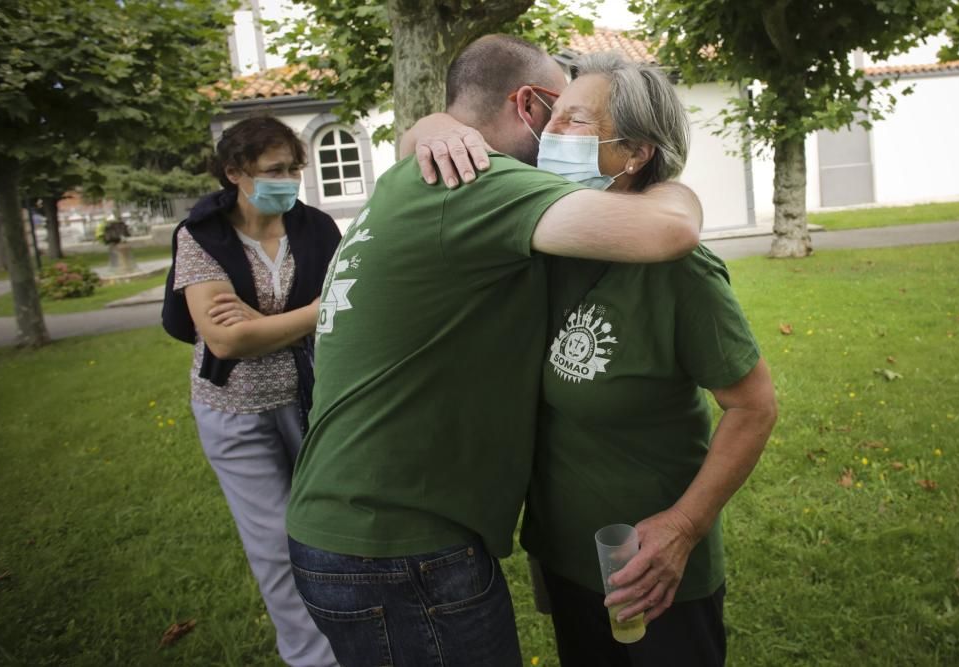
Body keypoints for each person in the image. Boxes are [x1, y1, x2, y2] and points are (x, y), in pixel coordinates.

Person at [285, 35, 704, 667]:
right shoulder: (482, 184)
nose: (564, 132)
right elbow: (671, 232)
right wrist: (672, 187)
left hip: (355, 526)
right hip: (402, 544)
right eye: (560, 112)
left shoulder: (415, 173)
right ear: (530, 107)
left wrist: (428, 126)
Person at [517, 52, 778, 666]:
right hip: (564, 554)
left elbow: (753, 407)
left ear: (633, 152)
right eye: (551, 118)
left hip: (652, 568)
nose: (549, 135)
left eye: (575, 123)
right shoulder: (541, 241)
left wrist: (684, 528)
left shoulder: (680, 273)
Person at [161, 116, 341, 667]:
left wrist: (259, 322)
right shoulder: (202, 235)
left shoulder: (318, 229)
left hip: (312, 401)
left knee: (328, 533)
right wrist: (315, 312)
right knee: (275, 546)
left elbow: (351, 312)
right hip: (234, 412)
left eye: (293, 168)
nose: (287, 179)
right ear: (236, 172)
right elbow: (226, 341)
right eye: (273, 170)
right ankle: (312, 658)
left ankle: (352, 637)